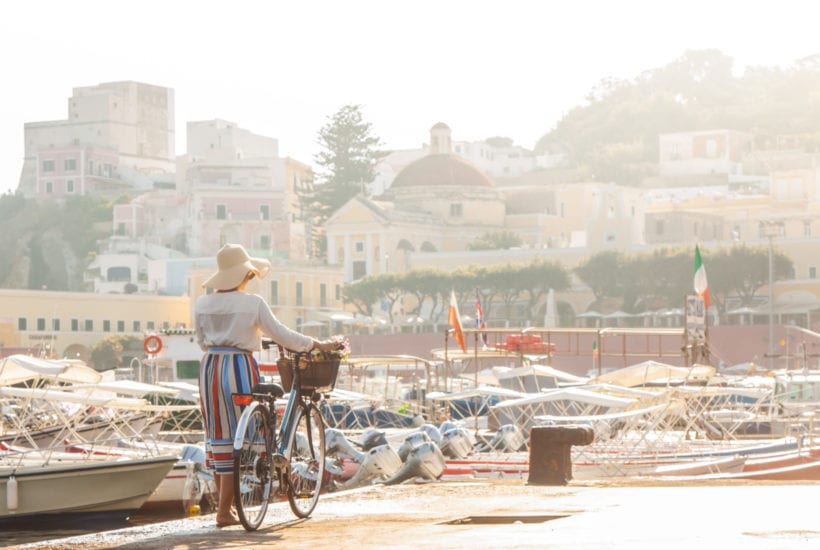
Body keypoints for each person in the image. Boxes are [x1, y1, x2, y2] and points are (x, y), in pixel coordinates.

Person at [195, 243, 339, 527]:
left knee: (220, 435)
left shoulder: (202, 304)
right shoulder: (252, 304)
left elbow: (201, 341)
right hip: (239, 367)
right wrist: (315, 344)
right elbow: (281, 334)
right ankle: (226, 512)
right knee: (242, 434)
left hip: (210, 367)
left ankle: (228, 509)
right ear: (244, 276)